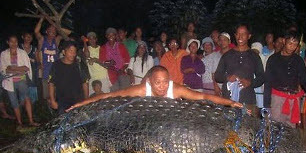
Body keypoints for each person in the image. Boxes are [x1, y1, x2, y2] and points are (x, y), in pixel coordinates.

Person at [67, 65, 243, 111]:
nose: (162, 86)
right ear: (150, 82)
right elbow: (111, 95)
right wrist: (81, 103)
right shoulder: (142, 89)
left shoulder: (176, 90)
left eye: (165, 81)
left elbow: (204, 97)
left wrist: (230, 102)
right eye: (158, 82)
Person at [263, 31, 306, 128]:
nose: (292, 47)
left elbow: (305, 79)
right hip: (277, 99)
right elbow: (268, 82)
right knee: (275, 127)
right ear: (284, 41)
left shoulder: (298, 60)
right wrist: (267, 105)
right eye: (290, 43)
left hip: (293, 100)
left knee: (290, 130)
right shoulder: (273, 59)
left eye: (295, 44)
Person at [214, 24, 265, 116]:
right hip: (228, 100)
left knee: (247, 129)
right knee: (227, 128)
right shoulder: (227, 55)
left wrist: (250, 82)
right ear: (235, 35)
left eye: (243, 34)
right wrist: (227, 77)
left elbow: (261, 77)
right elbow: (217, 76)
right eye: (237, 34)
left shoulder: (254, 56)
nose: (240, 37)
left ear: (249, 36)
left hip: (247, 100)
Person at [0, 35, 39, 128]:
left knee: (27, 98)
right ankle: (19, 122)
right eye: (11, 41)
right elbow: (4, 69)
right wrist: (18, 69)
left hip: (21, 80)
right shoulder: (4, 54)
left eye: (15, 41)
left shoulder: (22, 53)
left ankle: (31, 121)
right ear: (8, 42)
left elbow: (26, 68)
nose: (14, 44)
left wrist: (12, 68)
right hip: (9, 81)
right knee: (14, 102)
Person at [34, 18, 71, 103]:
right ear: (46, 31)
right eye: (50, 30)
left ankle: (57, 110)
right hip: (46, 71)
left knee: (56, 93)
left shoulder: (56, 40)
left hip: (56, 71)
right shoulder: (42, 40)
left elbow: (68, 32)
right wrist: (41, 19)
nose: (52, 31)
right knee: (47, 95)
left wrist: (56, 26)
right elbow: (36, 31)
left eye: (54, 30)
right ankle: (50, 111)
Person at [49, 41, 89, 114]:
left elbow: (85, 83)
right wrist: (52, 100)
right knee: (63, 123)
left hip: (78, 101)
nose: (73, 54)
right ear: (64, 52)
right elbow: (51, 83)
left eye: (75, 51)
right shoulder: (56, 65)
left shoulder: (80, 64)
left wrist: (86, 100)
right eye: (71, 51)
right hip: (62, 102)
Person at [100, 27, 130, 91]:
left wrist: (122, 69)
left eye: (113, 35)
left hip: (122, 73)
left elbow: (127, 60)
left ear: (115, 36)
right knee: (115, 96)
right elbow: (102, 62)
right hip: (111, 76)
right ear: (106, 36)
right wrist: (109, 62)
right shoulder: (103, 48)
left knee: (126, 94)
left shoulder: (121, 46)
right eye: (109, 35)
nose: (111, 37)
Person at [20, 32, 39, 104]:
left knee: (32, 90)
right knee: (22, 90)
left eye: (30, 37)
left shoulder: (34, 49)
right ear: (23, 37)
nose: (28, 38)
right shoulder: (19, 48)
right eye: (27, 36)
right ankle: (22, 106)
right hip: (21, 72)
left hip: (33, 72)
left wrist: (38, 65)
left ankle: (32, 106)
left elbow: (38, 61)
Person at [250, 42, 266, 109]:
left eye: (257, 52)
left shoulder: (263, 59)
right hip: (247, 83)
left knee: (259, 104)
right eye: (253, 51)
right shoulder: (247, 57)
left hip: (258, 84)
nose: (255, 54)